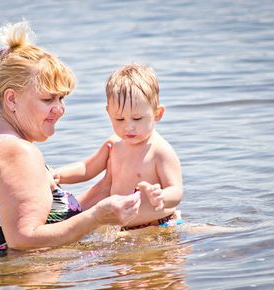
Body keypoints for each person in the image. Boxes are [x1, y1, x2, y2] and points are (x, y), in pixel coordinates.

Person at [0, 21, 154, 250]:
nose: (60, 109)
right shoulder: (17, 152)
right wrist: (97, 217)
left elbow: (37, 216)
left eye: (61, 99)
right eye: (48, 100)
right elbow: (24, 238)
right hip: (19, 280)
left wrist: (105, 187)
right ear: (12, 99)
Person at [53, 64, 183, 231]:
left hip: (159, 225)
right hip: (123, 228)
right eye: (120, 119)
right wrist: (59, 175)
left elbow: (176, 191)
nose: (128, 127)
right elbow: (87, 168)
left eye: (137, 118)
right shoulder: (113, 145)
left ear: (157, 114)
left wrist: (162, 197)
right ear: (109, 113)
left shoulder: (159, 151)